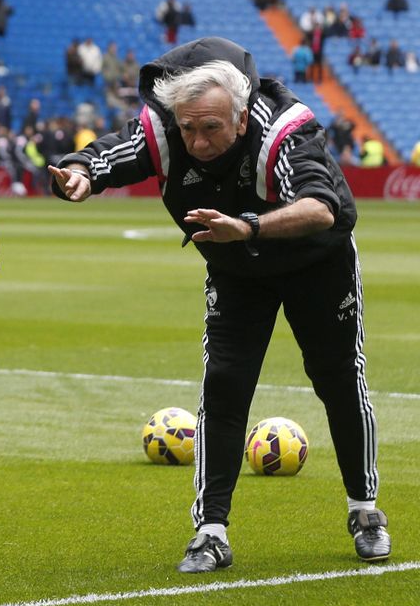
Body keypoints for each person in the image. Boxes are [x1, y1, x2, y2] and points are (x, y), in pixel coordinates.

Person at [46, 37, 389, 573]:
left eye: (211, 128)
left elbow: (321, 208)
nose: (199, 142)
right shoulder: (168, 126)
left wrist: (247, 226)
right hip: (235, 269)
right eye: (189, 129)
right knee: (224, 385)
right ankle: (210, 532)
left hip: (316, 263)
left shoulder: (284, 128)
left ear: (241, 118)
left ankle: (365, 511)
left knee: (339, 378)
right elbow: (113, 151)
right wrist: (80, 173)